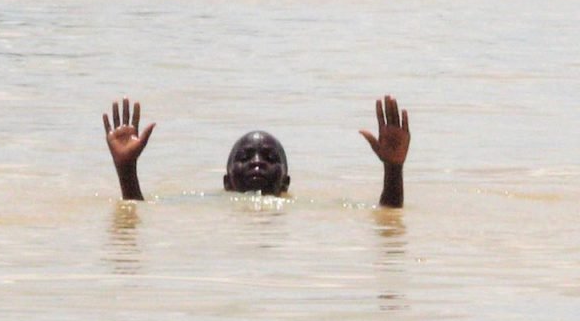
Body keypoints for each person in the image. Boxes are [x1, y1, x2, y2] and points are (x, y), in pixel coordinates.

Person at [102, 94, 410, 208]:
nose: (258, 162)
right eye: (246, 157)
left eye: (270, 158)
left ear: (287, 184)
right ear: (226, 182)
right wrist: (126, 171)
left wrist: (392, 169)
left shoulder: (304, 210)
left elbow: (386, 217)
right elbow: (136, 213)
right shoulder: (205, 207)